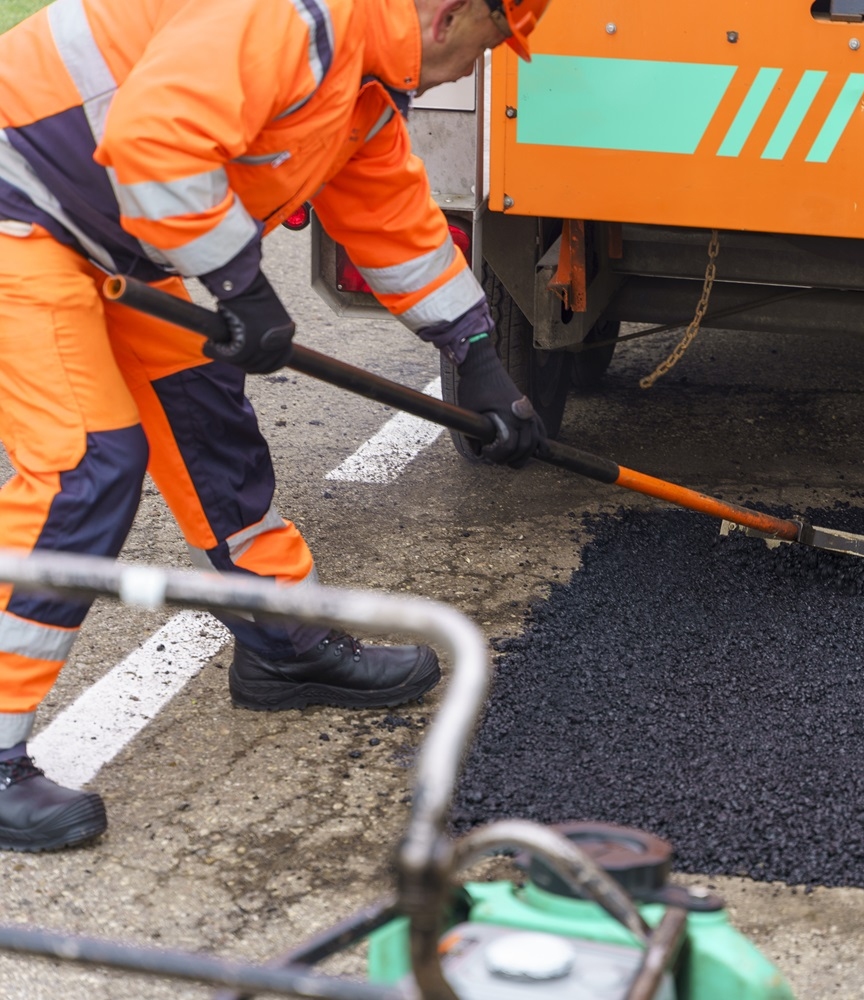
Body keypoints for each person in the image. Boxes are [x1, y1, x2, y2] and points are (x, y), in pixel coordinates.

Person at [0, 0, 552, 851]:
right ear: (450, 14)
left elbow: (390, 218)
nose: (482, 69)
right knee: (86, 466)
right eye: (492, 44)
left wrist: (476, 351)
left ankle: (284, 644)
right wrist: (242, 290)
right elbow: (155, 143)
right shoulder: (296, 20)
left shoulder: (364, 83)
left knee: (209, 421)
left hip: (119, 239)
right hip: (21, 210)